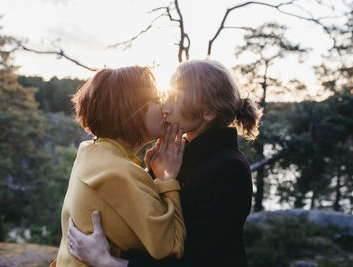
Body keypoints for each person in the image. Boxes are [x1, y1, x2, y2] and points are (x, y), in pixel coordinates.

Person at [68, 59, 262, 267]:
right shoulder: (176, 154)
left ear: (208, 111)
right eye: (165, 95)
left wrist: (106, 261)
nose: (165, 107)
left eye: (175, 98)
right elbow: (147, 221)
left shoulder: (230, 169)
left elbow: (203, 258)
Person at [50, 66, 187, 267]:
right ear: (132, 110)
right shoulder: (118, 173)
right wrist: (166, 180)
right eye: (156, 100)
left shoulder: (91, 153)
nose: (164, 108)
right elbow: (171, 246)